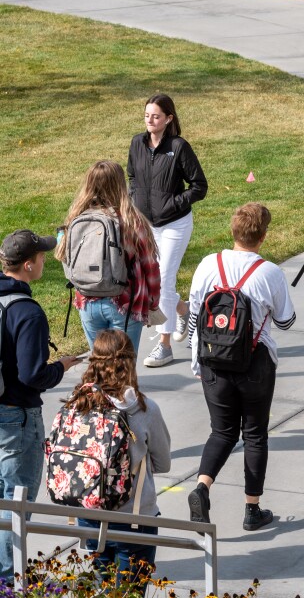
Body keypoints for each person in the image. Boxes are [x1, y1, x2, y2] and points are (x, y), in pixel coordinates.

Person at [187, 203, 295, 532]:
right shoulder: (270, 272)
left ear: (232, 232)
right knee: (254, 434)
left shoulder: (208, 264)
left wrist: (196, 357)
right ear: (262, 236)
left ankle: (202, 487)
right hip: (254, 363)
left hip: (211, 361)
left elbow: (194, 314)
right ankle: (252, 508)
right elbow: (286, 321)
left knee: (221, 431)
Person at [0, 229, 82, 583]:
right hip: (16, 415)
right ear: (29, 265)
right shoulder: (27, 313)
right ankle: (5, 577)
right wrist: (60, 367)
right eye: (43, 257)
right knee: (17, 499)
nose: (46, 261)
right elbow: (32, 374)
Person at [64, 330, 171, 592]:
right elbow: (164, 463)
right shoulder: (144, 409)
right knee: (130, 592)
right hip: (134, 517)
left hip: (88, 514)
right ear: (130, 362)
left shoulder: (76, 404)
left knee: (102, 588)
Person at [127, 94, 208, 369]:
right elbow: (132, 177)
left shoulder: (179, 147)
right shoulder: (137, 143)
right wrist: (134, 201)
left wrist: (173, 204)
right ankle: (184, 311)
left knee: (163, 280)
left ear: (169, 118)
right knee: (155, 282)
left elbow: (199, 186)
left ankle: (165, 346)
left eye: (156, 116)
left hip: (175, 224)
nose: (150, 120)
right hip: (147, 226)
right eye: (147, 115)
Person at [55, 160, 161, 354]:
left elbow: (63, 256)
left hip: (86, 301)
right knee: (123, 370)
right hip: (125, 302)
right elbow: (150, 265)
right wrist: (153, 302)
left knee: (101, 366)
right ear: (120, 184)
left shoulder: (76, 217)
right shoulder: (130, 219)